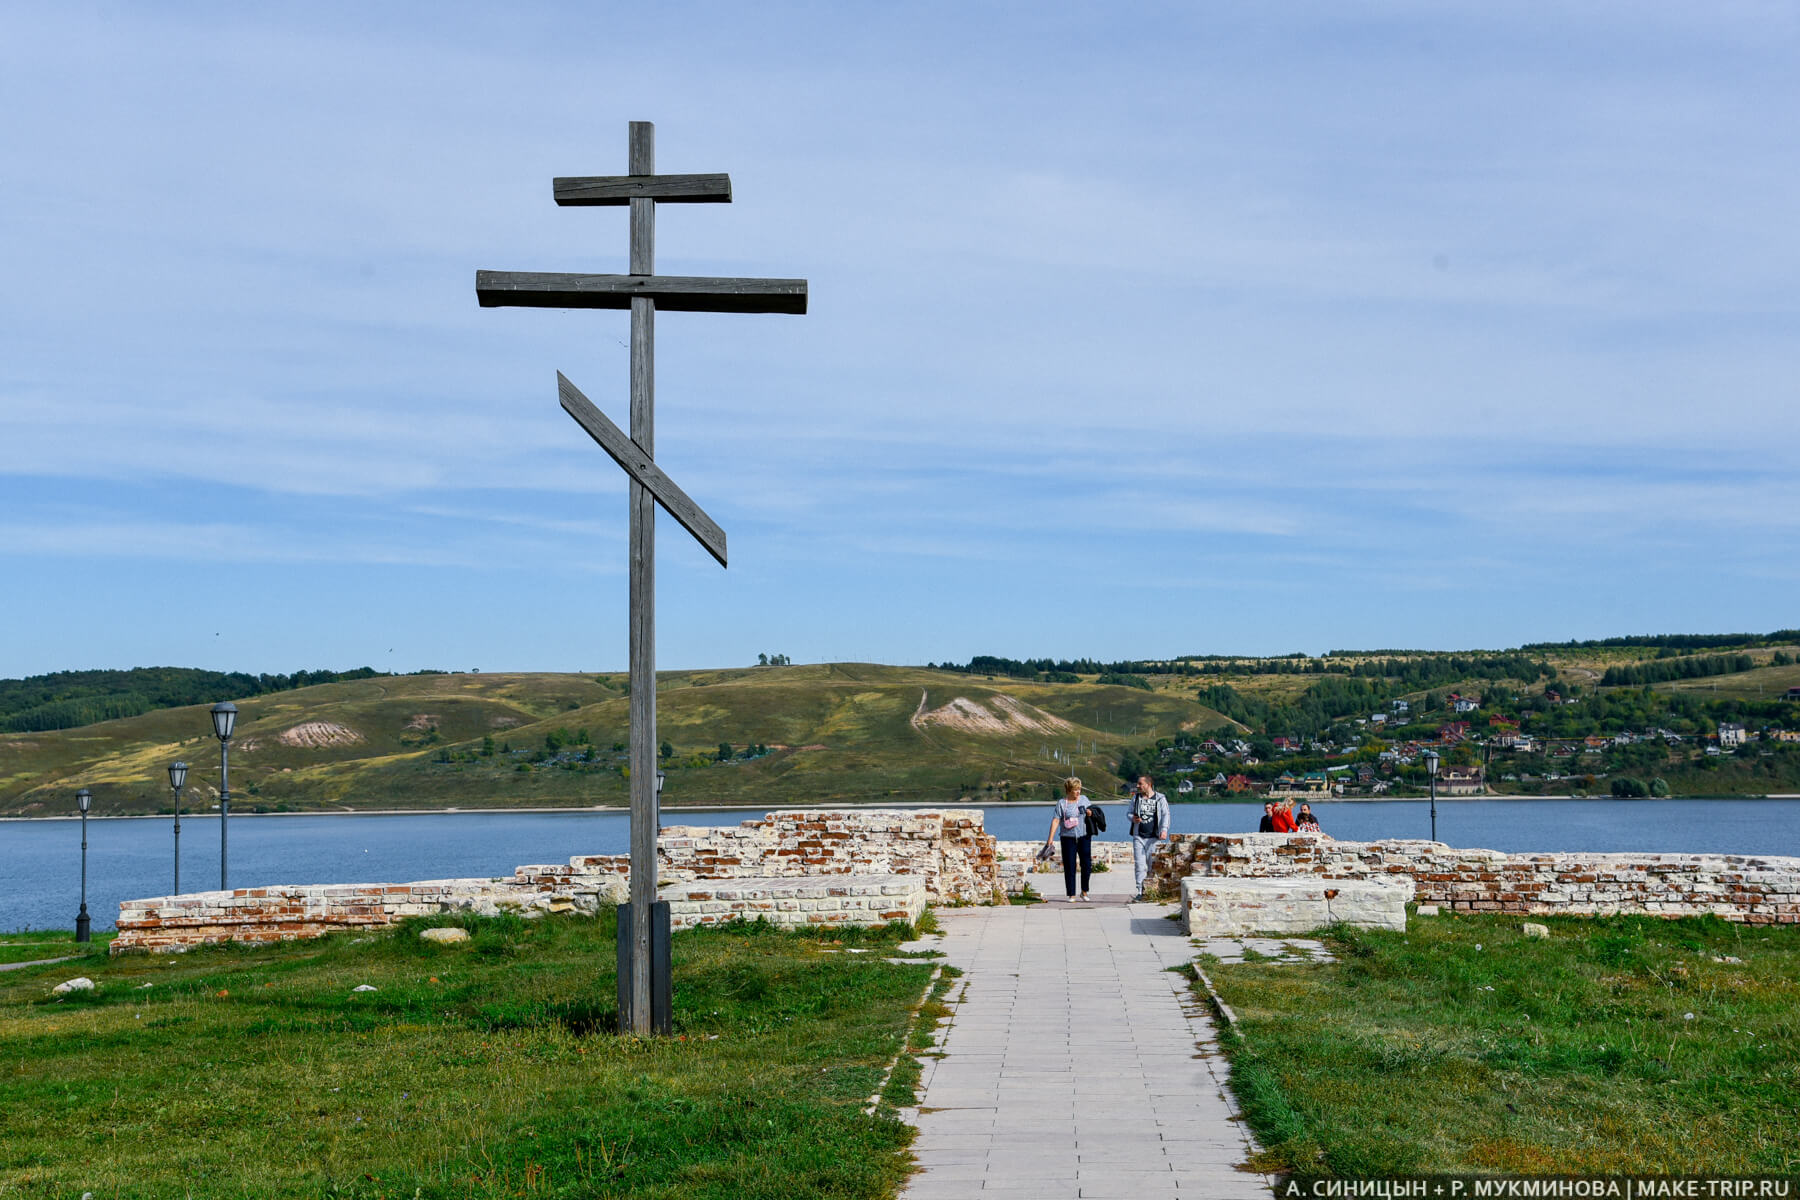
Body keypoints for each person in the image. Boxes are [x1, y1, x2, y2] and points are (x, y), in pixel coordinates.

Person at [1044, 776, 1093, 902]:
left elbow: (1093, 812)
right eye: (1075, 790)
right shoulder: (1061, 803)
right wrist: (1050, 839)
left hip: (1084, 836)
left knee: (1086, 864)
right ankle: (1071, 894)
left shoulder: (1084, 800)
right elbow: (1055, 820)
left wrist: (1090, 813)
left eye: (1079, 789)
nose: (1078, 792)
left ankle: (1084, 891)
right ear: (1069, 790)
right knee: (1070, 866)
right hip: (1067, 838)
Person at [1126, 774, 1170, 901]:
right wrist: (1132, 818)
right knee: (1139, 865)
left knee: (1152, 865)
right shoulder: (1136, 798)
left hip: (1154, 837)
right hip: (1138, 836)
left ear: (1148, 784)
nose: (1138, 786)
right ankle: (1140, 891)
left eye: (1140, 784)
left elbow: (1166, 814)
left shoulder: (1160, 798)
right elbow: (1128, 813)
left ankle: (1152, 890)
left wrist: (1164, 830)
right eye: (1138, 784)